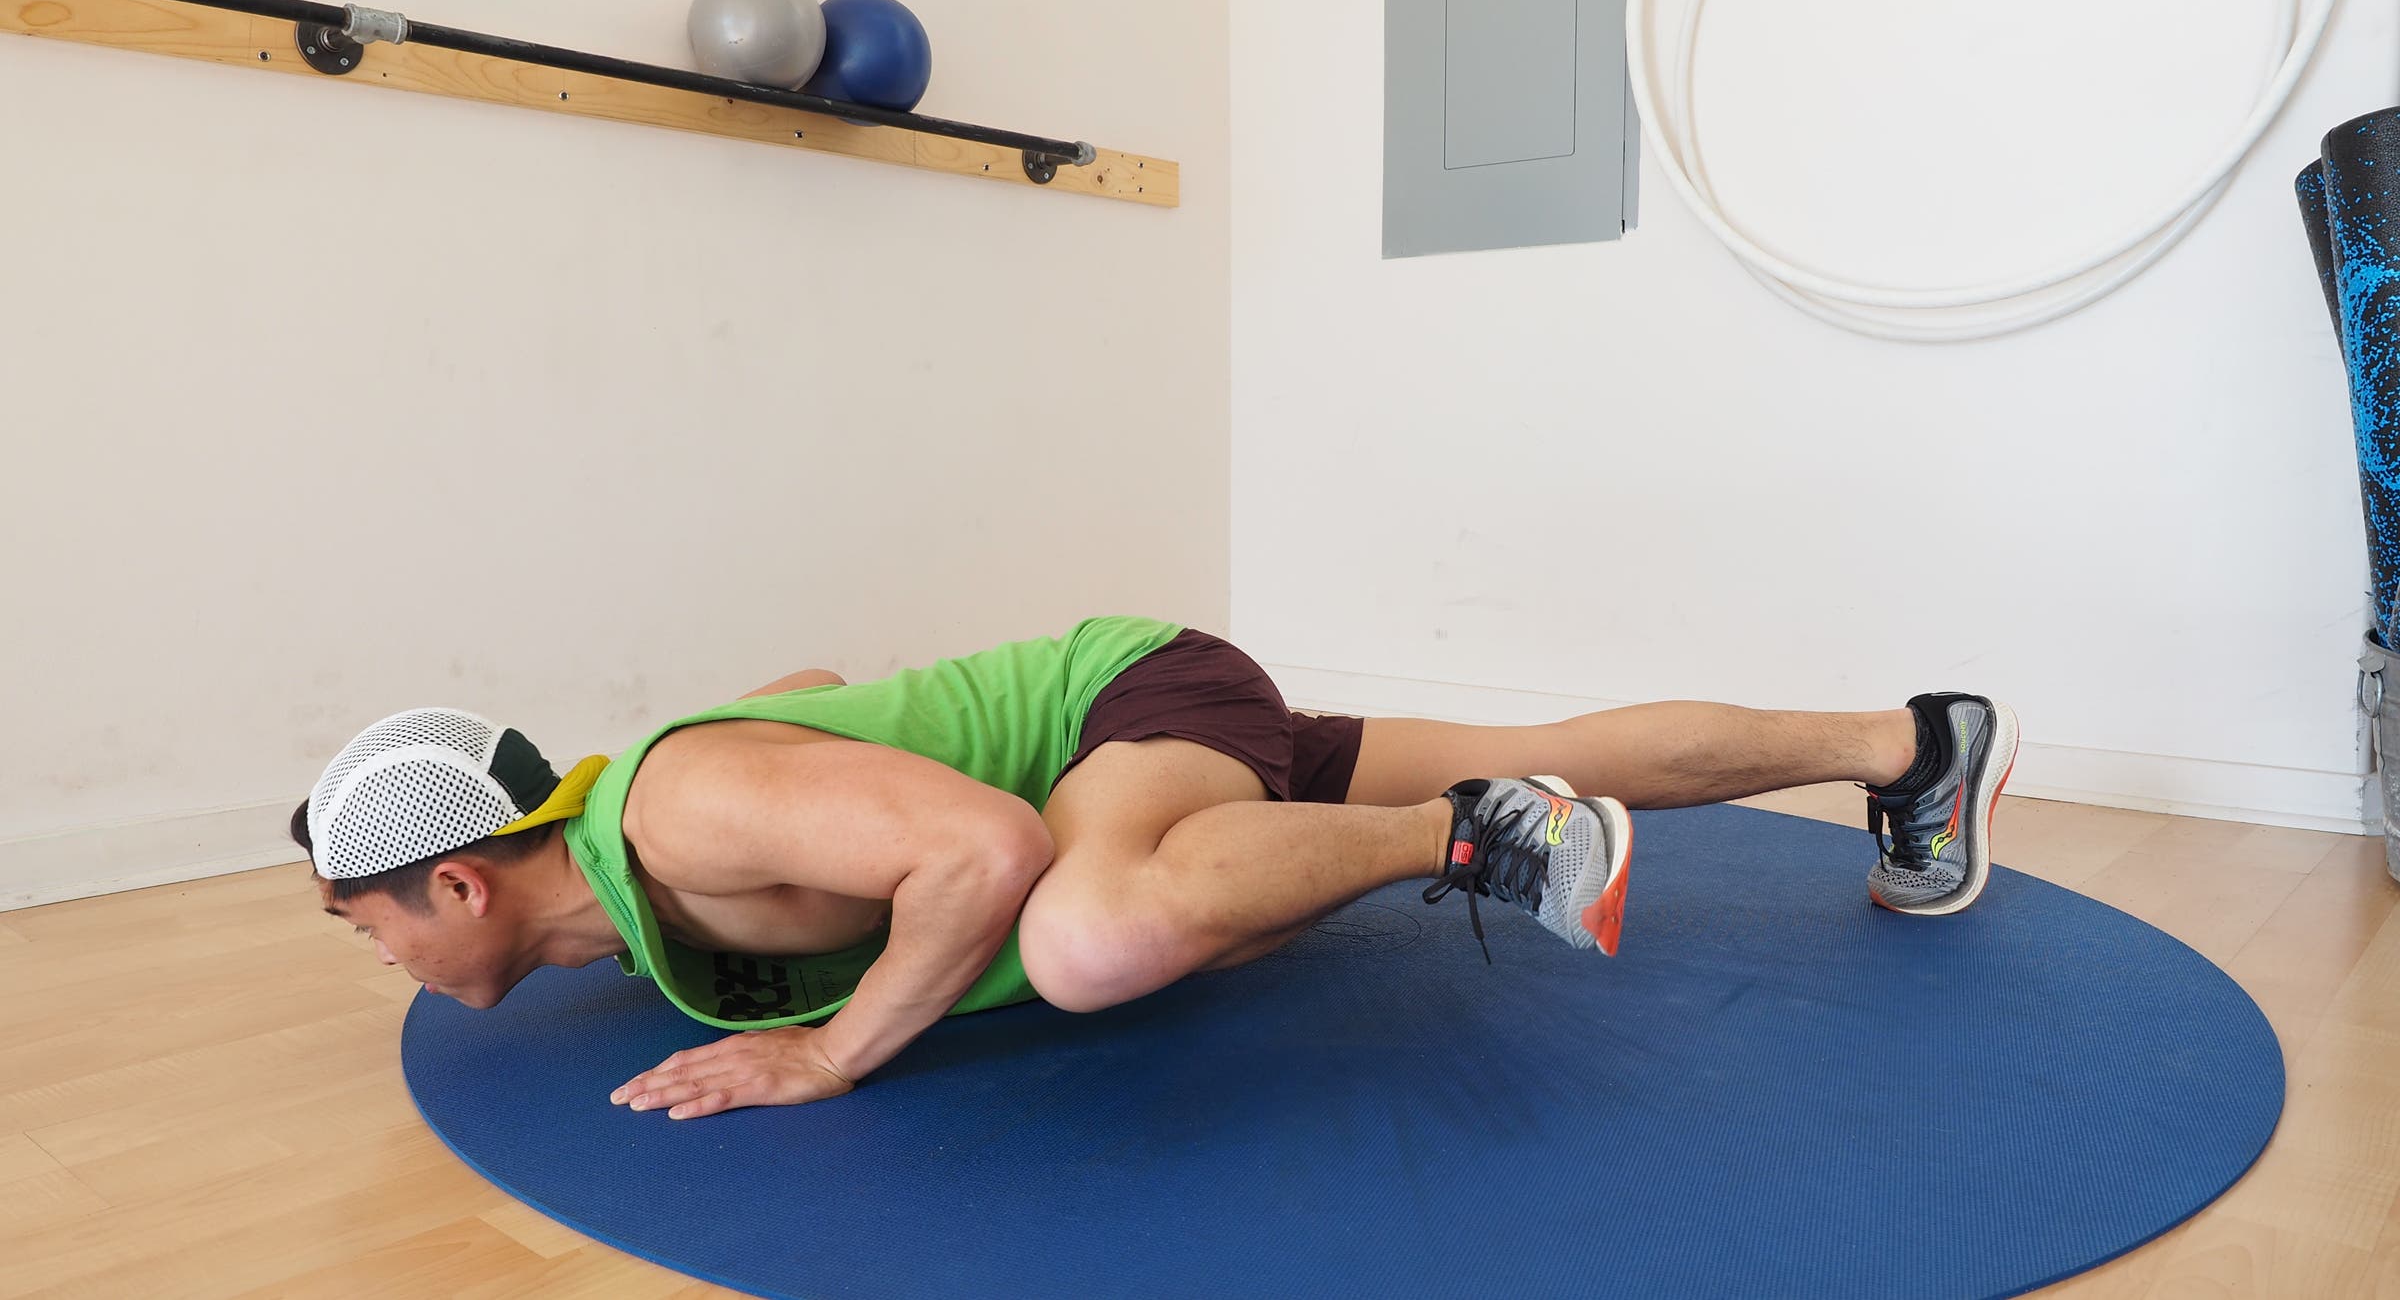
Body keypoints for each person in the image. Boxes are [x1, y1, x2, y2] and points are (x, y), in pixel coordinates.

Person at [296, 615, 2017, 1121]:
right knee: (1555, 724)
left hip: (1127, 706)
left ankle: (1482, 840)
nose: (361, 949)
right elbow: (820, 683)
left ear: (456, 882)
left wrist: (829, 1050)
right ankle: (1908, 742)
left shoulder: (673, 814)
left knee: (1091, 930)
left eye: (352, 915)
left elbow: (987, 841)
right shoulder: (625, 875)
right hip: (1136, 729)